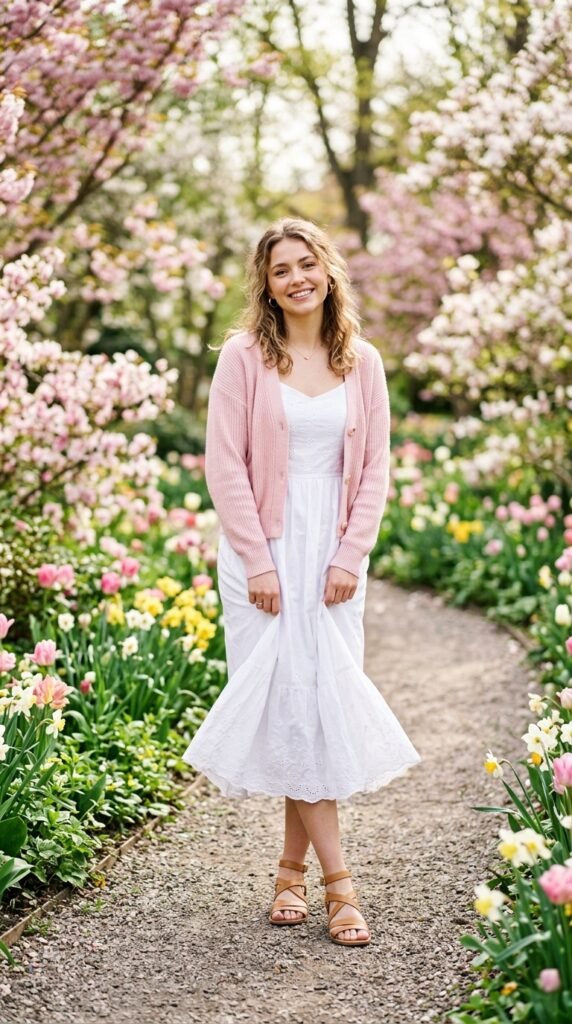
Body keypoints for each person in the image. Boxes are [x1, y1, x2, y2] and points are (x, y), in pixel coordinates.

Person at [183, 217, 421, 947]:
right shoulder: (243, 357)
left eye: (306, 263)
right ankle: (341, 888)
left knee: (314, 706)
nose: (296, 278)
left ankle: (291, 871)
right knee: (295, 704)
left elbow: (376, 468)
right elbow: (224, 466)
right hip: (266, 554)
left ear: (327, 271)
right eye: (280, 269)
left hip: (334, 560)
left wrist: (352, 554)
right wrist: (257, 559)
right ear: (267, 284)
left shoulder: (365, 362)